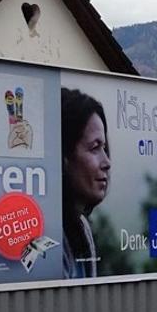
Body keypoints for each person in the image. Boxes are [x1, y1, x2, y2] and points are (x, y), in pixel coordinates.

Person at [61, 88, 111, 278]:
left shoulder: (81, 229)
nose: (107, 162)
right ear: (64, 156)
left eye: (104, 148)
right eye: (95, 148)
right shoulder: (48, 236)